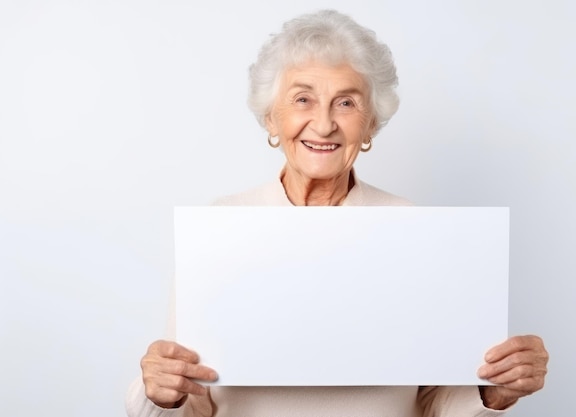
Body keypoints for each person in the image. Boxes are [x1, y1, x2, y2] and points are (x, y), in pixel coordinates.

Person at [126, 9, 549, 417]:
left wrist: (492, 394)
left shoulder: (415, 229)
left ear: (370, 126)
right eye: (303, 99)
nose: (324, 124)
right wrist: (160, 395)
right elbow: (189, 398)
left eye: (346, 103)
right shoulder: (220, 225)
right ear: (272, 118)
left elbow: (435, 403)